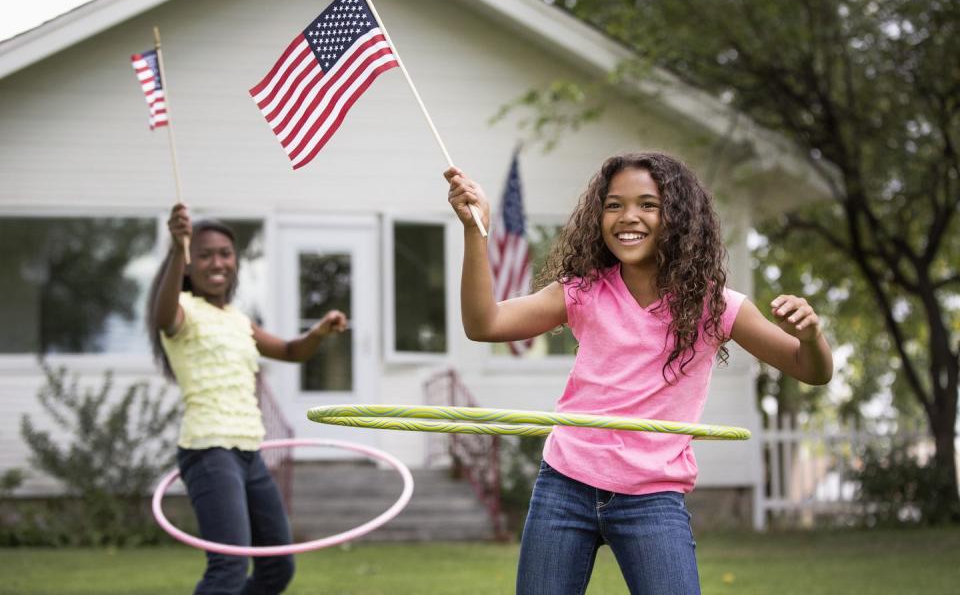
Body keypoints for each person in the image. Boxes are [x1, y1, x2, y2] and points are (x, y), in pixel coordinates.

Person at [444, 151, 832, 595]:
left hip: (652, 496)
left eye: (648, 204)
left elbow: (811, 370)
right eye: (614, 204)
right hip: (565, 484)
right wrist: (475, 231)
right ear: (599, 216)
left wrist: (812, 336)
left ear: (679, 216)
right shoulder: (583, 292)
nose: (629, 217)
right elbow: (484, 325)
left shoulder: (716, 306)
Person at [147, 203, 348, 595]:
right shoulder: (182, 311)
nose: (217, 262)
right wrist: (176, 247)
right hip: (209, 450)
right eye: (203, 255)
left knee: (277, 569)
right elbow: (162, 316)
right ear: (188, 266)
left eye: (225, 253)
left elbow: (291, 351)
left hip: (249, 451)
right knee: (228, 567)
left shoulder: (238, 320)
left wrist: (320, 333)